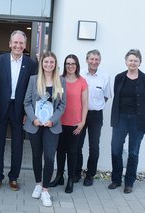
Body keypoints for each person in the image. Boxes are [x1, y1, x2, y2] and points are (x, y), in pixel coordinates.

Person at [0, 30, 36, 191]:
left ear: (25, 45)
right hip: (0, 109)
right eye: (15, 42)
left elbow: (32, 90)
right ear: (10, 44)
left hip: (20, 110)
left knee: (17, 145)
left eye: (21, 43)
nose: (18, 45)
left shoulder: (31, 64)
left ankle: (14, 177)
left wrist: (27, 113)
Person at [24, 51, 66, 207]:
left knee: (49, 157)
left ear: (55, 64)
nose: (49, 65)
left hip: (51, 126)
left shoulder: (61, 81)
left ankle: (45, 190)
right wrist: (33, 119)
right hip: (34, 125)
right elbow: (26, 102)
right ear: (41, 63)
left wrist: (52, 120)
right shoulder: (33, 80)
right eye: (46, 62)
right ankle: (38, 184)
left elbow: (62, 105)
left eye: (52, 62)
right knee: (36, 155)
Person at [108, 49, 145, 194]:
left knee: (133, 152)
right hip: (120, 118)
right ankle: (116, 180)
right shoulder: (119, 77)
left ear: (140, 62)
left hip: (137, 120)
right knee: (116, 149)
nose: (133, 63)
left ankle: (129, 182)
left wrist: (140, 116)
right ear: (126, 61)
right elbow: (116, 97)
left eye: (135, 60)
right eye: (130, 60)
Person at [50, 54, 88, 193]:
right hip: (60, 122)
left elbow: (85, 104)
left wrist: (82, 122)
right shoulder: (59, 80)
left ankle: (70, 179)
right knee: (60, 151)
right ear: (64, 65)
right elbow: (55, 100)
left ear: (77, 65)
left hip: (75, 123)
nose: (70, 66)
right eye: (68, 64)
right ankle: (59, 176)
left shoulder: (82, 82)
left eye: (73, 63)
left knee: (72, 152)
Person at [73, 49, 112, 186]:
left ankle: (90, 175)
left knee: (94, 146)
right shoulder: (80, 74)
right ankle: (76, 173)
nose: (94, 62)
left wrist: (96, 105)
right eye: (92, 59)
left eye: (97, 59)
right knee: (77, 145)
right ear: (87, 60)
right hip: (80, 114)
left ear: (99, 61)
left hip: (96, 115)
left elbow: (106, 96)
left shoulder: (105, 76)